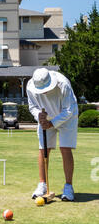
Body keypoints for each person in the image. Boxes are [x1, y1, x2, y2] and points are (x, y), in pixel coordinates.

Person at [26, 68, 78, 202]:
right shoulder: (31, 86)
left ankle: (68, 187)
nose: (44, 92)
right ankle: (42, 185)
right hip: (46, 118)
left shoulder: (63, 84)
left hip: (68, 117)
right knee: (43, 149)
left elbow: (69, 110)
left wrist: (53, 123)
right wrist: (39, 116)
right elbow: (32, 106)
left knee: (65, 148)